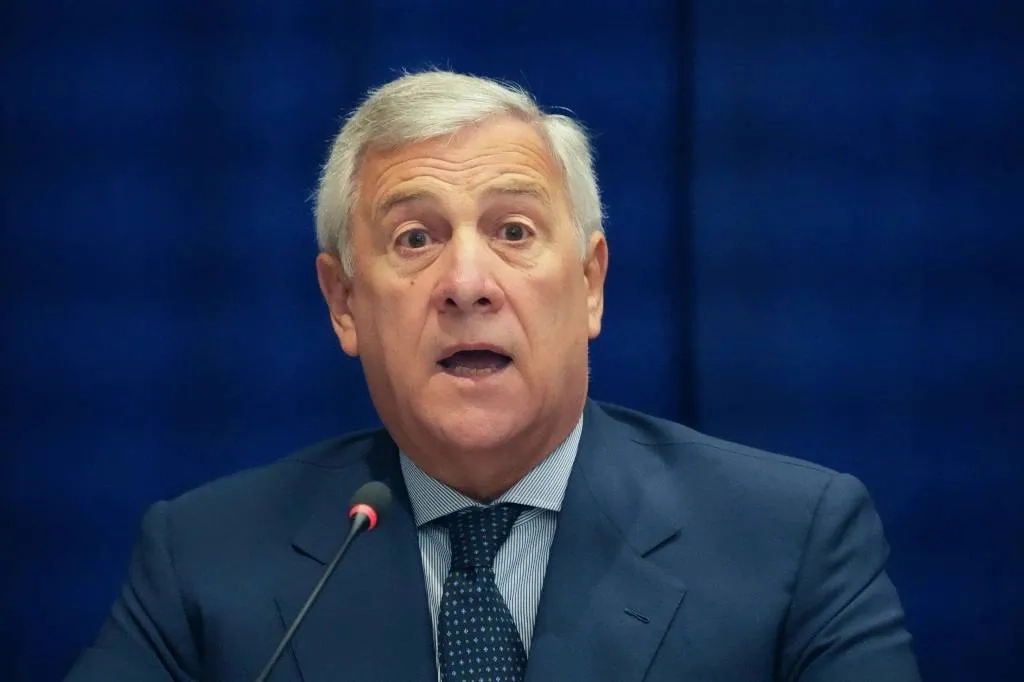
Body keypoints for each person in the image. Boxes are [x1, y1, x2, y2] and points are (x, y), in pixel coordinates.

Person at [65, 70, 920, 681]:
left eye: (513, 231)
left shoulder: (791, 542)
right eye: (415, 239)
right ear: (344, 304)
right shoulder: (204, 561)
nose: (467, 283)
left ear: (590, 284)